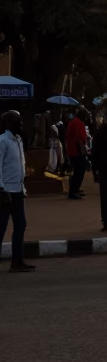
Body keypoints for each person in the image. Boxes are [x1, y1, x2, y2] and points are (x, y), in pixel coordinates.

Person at [0, 110, 35, 272]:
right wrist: (1, 189)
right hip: (5, 191)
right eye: (17, 121)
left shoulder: (19, 140)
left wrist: (23, 187)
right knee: (1, 227)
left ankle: (17, 261)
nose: (21, 124)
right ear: (9, 123)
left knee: (20, 225)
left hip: (18, 190)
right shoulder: (2, 141)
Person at [65, 106, 90, 200]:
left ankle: (75, 189)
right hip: (75, 151)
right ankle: (73, 191)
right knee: (79, 171)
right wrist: (83, 150)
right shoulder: (77, 123)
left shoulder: (76, 122)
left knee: (78, 171)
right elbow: (78, 138)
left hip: (75, 150)